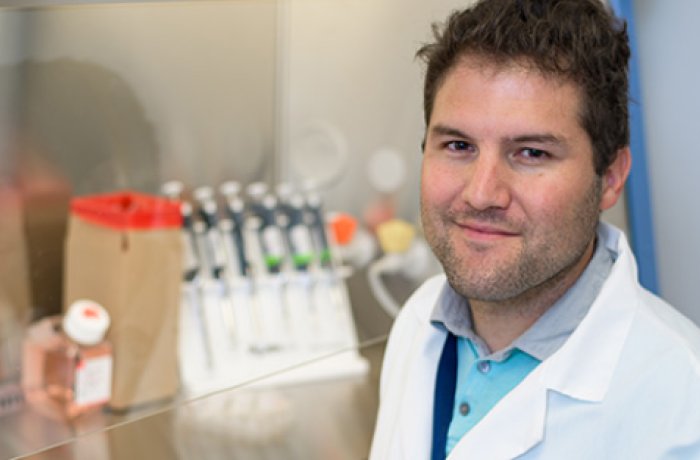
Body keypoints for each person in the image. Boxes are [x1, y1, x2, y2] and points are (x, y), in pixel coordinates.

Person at [369, 0, 700, 458]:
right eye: (458, 145)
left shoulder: (683, 408)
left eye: (531, 153)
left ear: (611, 177)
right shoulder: (418, 324)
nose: (482, 194)